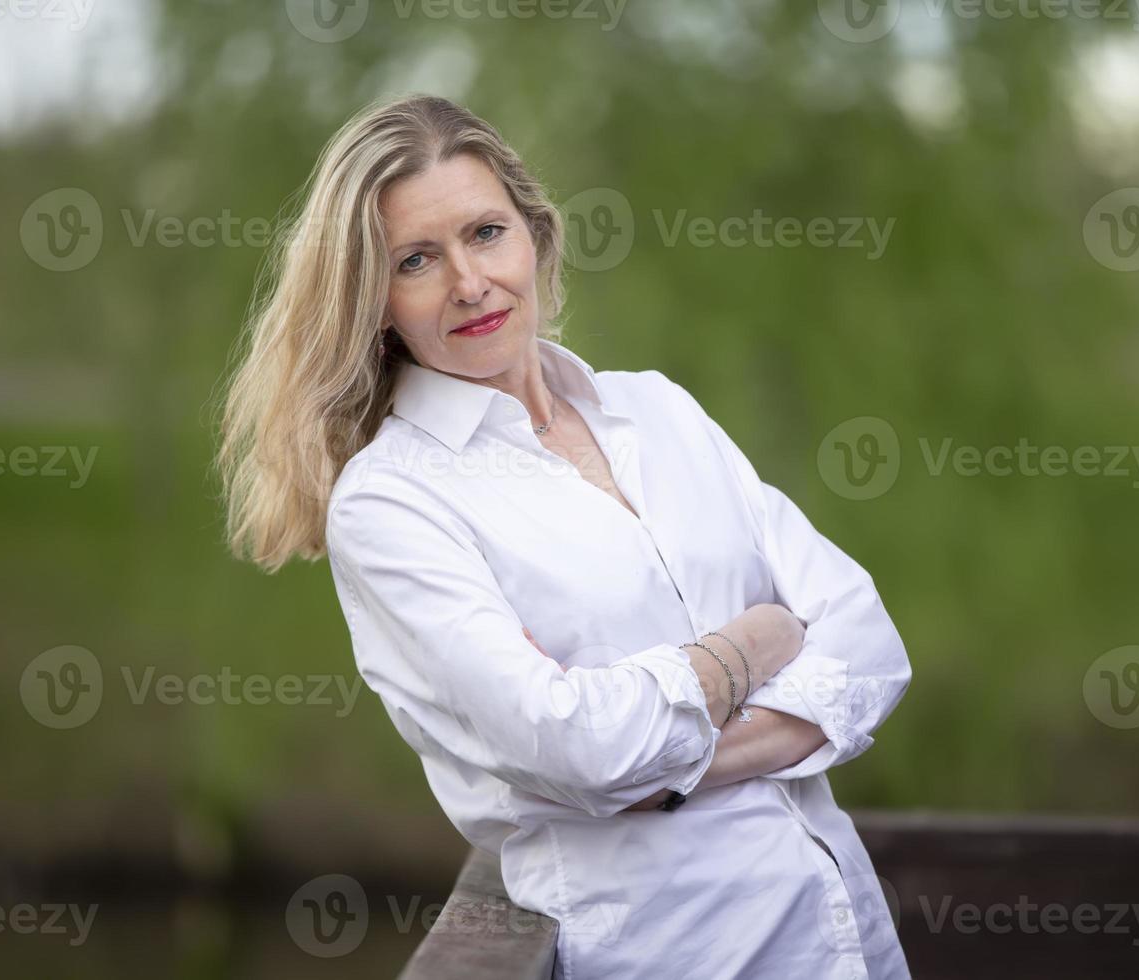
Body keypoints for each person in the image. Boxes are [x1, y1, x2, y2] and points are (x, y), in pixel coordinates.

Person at [216, 93, 913, 979]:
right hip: (679, 957)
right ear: (375, 299)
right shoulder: (391, 503)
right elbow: (573, 747)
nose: (469, 283)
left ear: (535, 236)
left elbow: (868, 641)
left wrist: (660, 767)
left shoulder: (657, 409)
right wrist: (760, 639)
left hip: (847, 934)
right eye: (416, 260)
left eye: (485, 234)